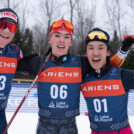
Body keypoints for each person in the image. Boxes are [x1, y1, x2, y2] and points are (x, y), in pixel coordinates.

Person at [17, 20, 132, 134]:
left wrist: (122, 51)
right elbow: (11, 65)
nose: (61, 40)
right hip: (44, 125)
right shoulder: (37, 62)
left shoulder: (80, 62)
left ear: (71, 41)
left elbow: (106, 66)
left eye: (66, 37)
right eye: (57, 35)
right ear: (50, 39)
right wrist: (14, 52)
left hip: (69, 126)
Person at [81, 28, 134, 134]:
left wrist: (123, 51)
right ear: (86, 53)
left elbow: (108, 68)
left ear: (108, 52)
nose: (95, 52)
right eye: (91, 48)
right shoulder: (82, 75)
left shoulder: (121, 76)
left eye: (101, 48)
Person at [0, 8, 23, 134]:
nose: (6, 30)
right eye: (2, 24)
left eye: (11, 27)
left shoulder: (15, 52)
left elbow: (28, 67)